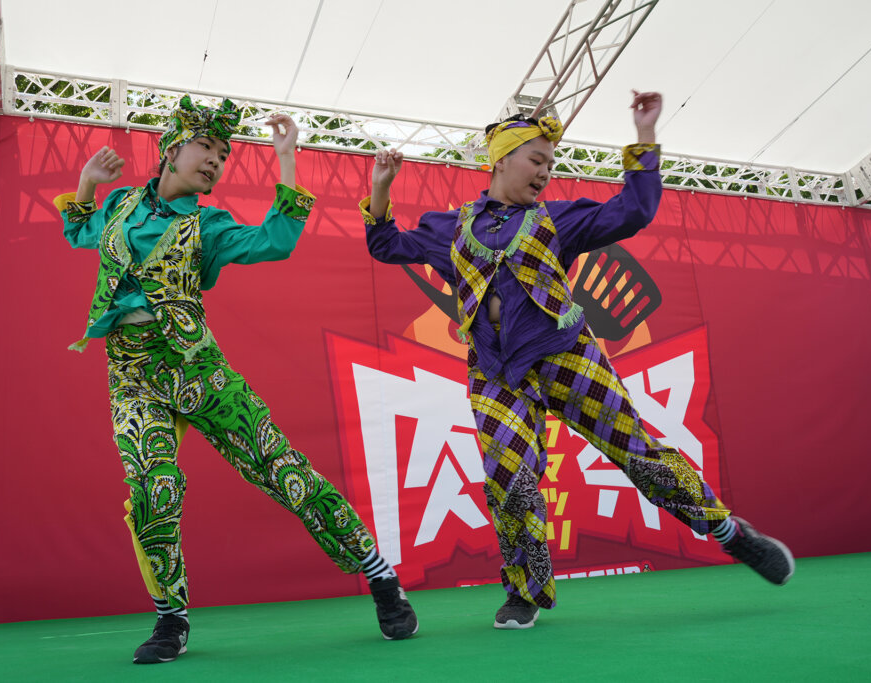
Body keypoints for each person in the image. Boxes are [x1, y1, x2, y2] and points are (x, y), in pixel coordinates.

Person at [360, 91, 793, 630]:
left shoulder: (558, 220)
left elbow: (633, 210)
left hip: (566, 356)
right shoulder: (449, 228)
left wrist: (644, 137)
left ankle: (732, 535)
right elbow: (385, 245)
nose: (545, 173)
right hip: (495, 374)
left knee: (638, 454)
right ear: (500, 159)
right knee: (509, 478)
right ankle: (524, 592)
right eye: (536, 160)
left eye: (551, 165)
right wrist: (381, 188)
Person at [53, 96, 418, 664]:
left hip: (198, 370)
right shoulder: (122, 206)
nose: (216, 162)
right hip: (129, 372)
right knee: (153, 488)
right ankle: (170, 620)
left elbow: (277, 240)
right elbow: (79, 231)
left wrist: (287, 158)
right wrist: (86, 181)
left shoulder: (209, 224)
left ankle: (379, 575)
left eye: (223, 156)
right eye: (206, 148)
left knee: (282, 470)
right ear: (172, 150)